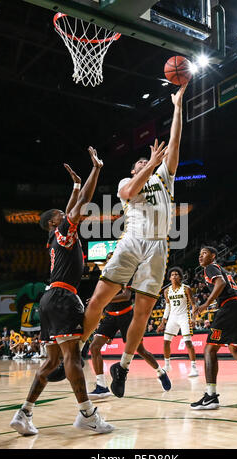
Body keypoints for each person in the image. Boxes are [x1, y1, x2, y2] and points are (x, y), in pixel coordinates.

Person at [79, 84, 187, 398]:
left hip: (158, 247)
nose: (144, 162)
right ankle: (74, 353)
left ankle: (123, 368)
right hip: (132, 241)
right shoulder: (130, 181)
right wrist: (149, 164)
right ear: (133, 168)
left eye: (147, 162)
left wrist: (178, 107)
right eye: (139, 162)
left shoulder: (163, 178)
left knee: (142, 313)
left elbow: (176, 143)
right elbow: (127, 193)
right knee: (97, 299)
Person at [10, 147, 114, 436]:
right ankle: (87, 414)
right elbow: (81, 205)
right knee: (71, 357)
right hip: (63, 297)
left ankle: (24, 412)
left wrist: (76, 183)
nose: (64, 214)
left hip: (48, 299)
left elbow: (71, 205)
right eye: (60, 214)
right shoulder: (64, 231)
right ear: (56, 222)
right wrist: (96, 170)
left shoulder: (53, 239)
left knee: (52, 360)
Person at [190, 246, 237, 410]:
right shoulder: (222, 269)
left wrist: (205, 304)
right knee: (235, 348)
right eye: (199, 254)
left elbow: (221, 283)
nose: (200, 256)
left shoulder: (211, 268)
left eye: (204, 253)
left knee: (210, 349)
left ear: (213, 256)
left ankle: (211, 396)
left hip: (230, 307)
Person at [88, 253, 171, 400]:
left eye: (113, 258)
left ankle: (160, 372)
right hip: (110, 316)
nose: (111, 261)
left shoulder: (126, 273)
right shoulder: (105, 276)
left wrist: (103, 298)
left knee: (140, 350)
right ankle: (101, 386)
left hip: (127, 315)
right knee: (94, 347)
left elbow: (126, 296)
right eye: (108, 259)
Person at [156, 267, 199, 377]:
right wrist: (163, 322)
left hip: (184, 316)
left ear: (180, 277)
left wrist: (193, 318)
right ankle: (167, 365)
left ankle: (194, 368)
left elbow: (194, 305)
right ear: (169, 278)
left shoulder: (186, 289)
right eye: (172, 275)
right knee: (166, 341)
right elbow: (168, 307)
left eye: (176, 274)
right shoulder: (167, 291)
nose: (174, 276)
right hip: (172, 318)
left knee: (188, 342)